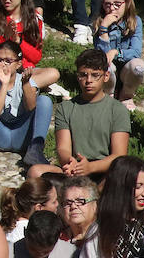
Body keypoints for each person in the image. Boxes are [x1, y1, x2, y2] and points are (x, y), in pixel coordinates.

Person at [31, 48, 131, 181]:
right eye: (83, 75)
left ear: (106, 76)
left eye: (95, 75)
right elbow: (63, 148)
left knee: (120, 176)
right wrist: (70, 161)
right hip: (75, 169)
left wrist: (90, 167)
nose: (88, 80)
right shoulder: (66, 108)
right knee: (35, 172)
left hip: (104, 172)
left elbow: (119, 156)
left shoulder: (118, 110)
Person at [0, 39, 54, 173]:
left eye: (8, 61)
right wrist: (4, 85)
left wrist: (25, 85)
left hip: (21, 136)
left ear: (18, 64)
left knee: (45, 101)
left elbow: (31, 108)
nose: (3, 64)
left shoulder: (26, 81)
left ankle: (35, 150)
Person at [93, 0, 144, 110]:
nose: (112, 9)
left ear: (126, 3)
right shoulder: (100, 22)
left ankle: (126, 95)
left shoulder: (135, 21)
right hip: (109, 70)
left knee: (139, 67)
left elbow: (136, 51)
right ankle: (108, 93)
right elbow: (101, 56)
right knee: (105, 65)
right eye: (107, 5)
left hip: (127, 67)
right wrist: (104, 29)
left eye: (117, 4)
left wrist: (116, 52)